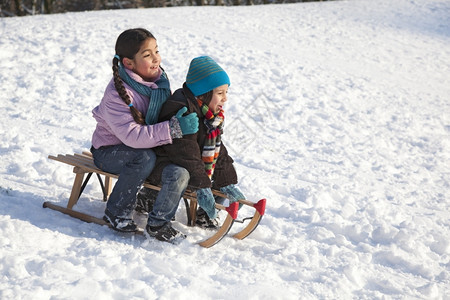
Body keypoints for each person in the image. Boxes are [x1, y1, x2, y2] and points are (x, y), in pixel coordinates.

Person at [90, 28, 198, 242]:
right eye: (148, 55)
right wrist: (173, 128)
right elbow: (133, 137)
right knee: (144, 157)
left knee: (166, 157)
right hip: (109, 151)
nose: (156, 58)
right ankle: (116, 211)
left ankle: (147, 199)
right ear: (129, 63)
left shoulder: (158, 83)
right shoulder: (117, 94)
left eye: (156, 51)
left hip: (143, 147)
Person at [148, 56, 246, 229]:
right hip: (164, 165)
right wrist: (202, 185)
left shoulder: (210, 116)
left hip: (186, 162)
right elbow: (186, 153)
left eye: (226, 92)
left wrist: (227, 182)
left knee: (218, 168)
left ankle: (205, 216)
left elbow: (217, 149)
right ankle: (155, 213)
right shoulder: (182, 109)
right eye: (220, 93)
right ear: (204, 93)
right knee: (184, 174)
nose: (225, 99)